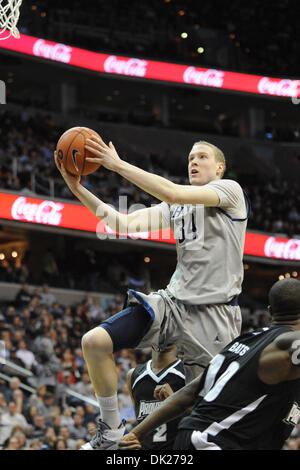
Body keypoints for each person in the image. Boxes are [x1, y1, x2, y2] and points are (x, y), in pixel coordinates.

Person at [54, 137, 250, 450]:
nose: (194, 162)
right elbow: (119, 222)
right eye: (190, 159)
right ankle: (110, 430)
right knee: (94, 341)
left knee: (210, 414)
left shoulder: (230, 191)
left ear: (220, 168)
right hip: (172, 304)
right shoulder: (178, 206)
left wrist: (116, 164)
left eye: (202, 157)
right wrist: (74, 186)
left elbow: (172, 190)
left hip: (216, 316)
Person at [119, 278, 300, 451]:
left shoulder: (244, 342)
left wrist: (136, 433)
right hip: (213, 442)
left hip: (195, 437)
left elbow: (188, 394)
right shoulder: (283, 348)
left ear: (269, 311)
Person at [127, 345, 185, 450]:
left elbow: (200, 420)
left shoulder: (189, 372)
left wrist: (174, 402)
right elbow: (140, 422)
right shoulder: (133, 375)